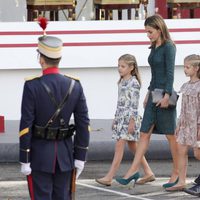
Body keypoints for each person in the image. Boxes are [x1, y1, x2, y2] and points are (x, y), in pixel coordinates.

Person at [19, 35, 90, 200]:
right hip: (66, 157)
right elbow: (83, 124)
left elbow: (26, 126)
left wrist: (25, 157)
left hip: (39, 157)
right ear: (59, 59)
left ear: (41, 59)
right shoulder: (75, 85)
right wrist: (80, 157)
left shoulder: (32, 86)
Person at [116, 14, 179, 188]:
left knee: (170, 136)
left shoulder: (169, 47)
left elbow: (170, 73)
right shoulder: (154, 48)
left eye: (150, 32)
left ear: (159, 29)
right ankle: (132, 172)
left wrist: (167, 95)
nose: (148, 35)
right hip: (153, 94)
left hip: (164, 95)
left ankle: (176, 173)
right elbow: (154, 74)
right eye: (146, 32)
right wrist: (147, 94)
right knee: (144, 133)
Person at [95, 54, 155, 187]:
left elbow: (134, 104)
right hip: (121, 118)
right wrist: (115, 118)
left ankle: (109, 176)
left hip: (129, 119)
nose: (119, 69)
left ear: (131, 67)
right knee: (134, 146)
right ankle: (148, 172)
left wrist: (132, 122)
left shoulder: (134, 83)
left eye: (123, 66)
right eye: (118, 66)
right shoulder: (122, 81)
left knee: (119, 146)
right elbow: (119, 102)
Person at [166, 54, 200, 191]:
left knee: (198, 154)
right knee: (181, 151)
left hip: (196, 125)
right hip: (185, 124)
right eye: (184, 67)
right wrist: (179, 124)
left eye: (188, 67)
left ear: (197, 68)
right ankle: (181, 181)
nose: (185, 69)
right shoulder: (185, 86)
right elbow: (184, 108)